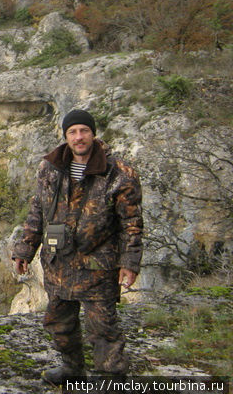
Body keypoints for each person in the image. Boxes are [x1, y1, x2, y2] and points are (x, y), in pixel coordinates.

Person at [11, 109, 143, 385]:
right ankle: (72, 369)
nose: (79, 137)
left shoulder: (119, 173)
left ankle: (112, 379)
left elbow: (131, 222)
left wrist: (130, 263)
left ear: (93, 134)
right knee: (59, 324)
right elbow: (38, 210)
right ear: (66, 136)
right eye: (73, 132)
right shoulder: (50, 167)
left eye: (84, 130)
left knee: (103, 328)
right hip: (59, 262)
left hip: (98, 264)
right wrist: (25, 250)